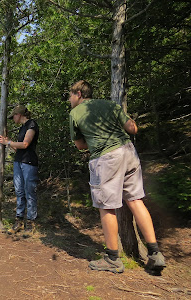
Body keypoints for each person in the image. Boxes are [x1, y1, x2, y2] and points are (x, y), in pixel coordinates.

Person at [68, 80, 166, 273]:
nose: (69, 100)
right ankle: (155, 253)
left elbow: (80, 145)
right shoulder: (110, 105)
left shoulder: (75, 114)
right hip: (128, 152)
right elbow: (133, 129)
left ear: (78, 94)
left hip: (106, 158)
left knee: (106, 207)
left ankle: (113, 258)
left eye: (70, 95)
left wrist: (98, 140)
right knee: (136, 201)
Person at [0, 104, 39, 233]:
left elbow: (25, 144)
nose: (12, 119)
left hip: (29, 162)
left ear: (19, 114)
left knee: (29, 192)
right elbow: (18, 147)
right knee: (19, 192)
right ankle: (19, 221)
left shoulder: (32, 125)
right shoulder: (22, 128)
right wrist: (8, 142)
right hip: (19, 162)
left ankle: (31, 223)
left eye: (13, 116)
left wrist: (8, 143)